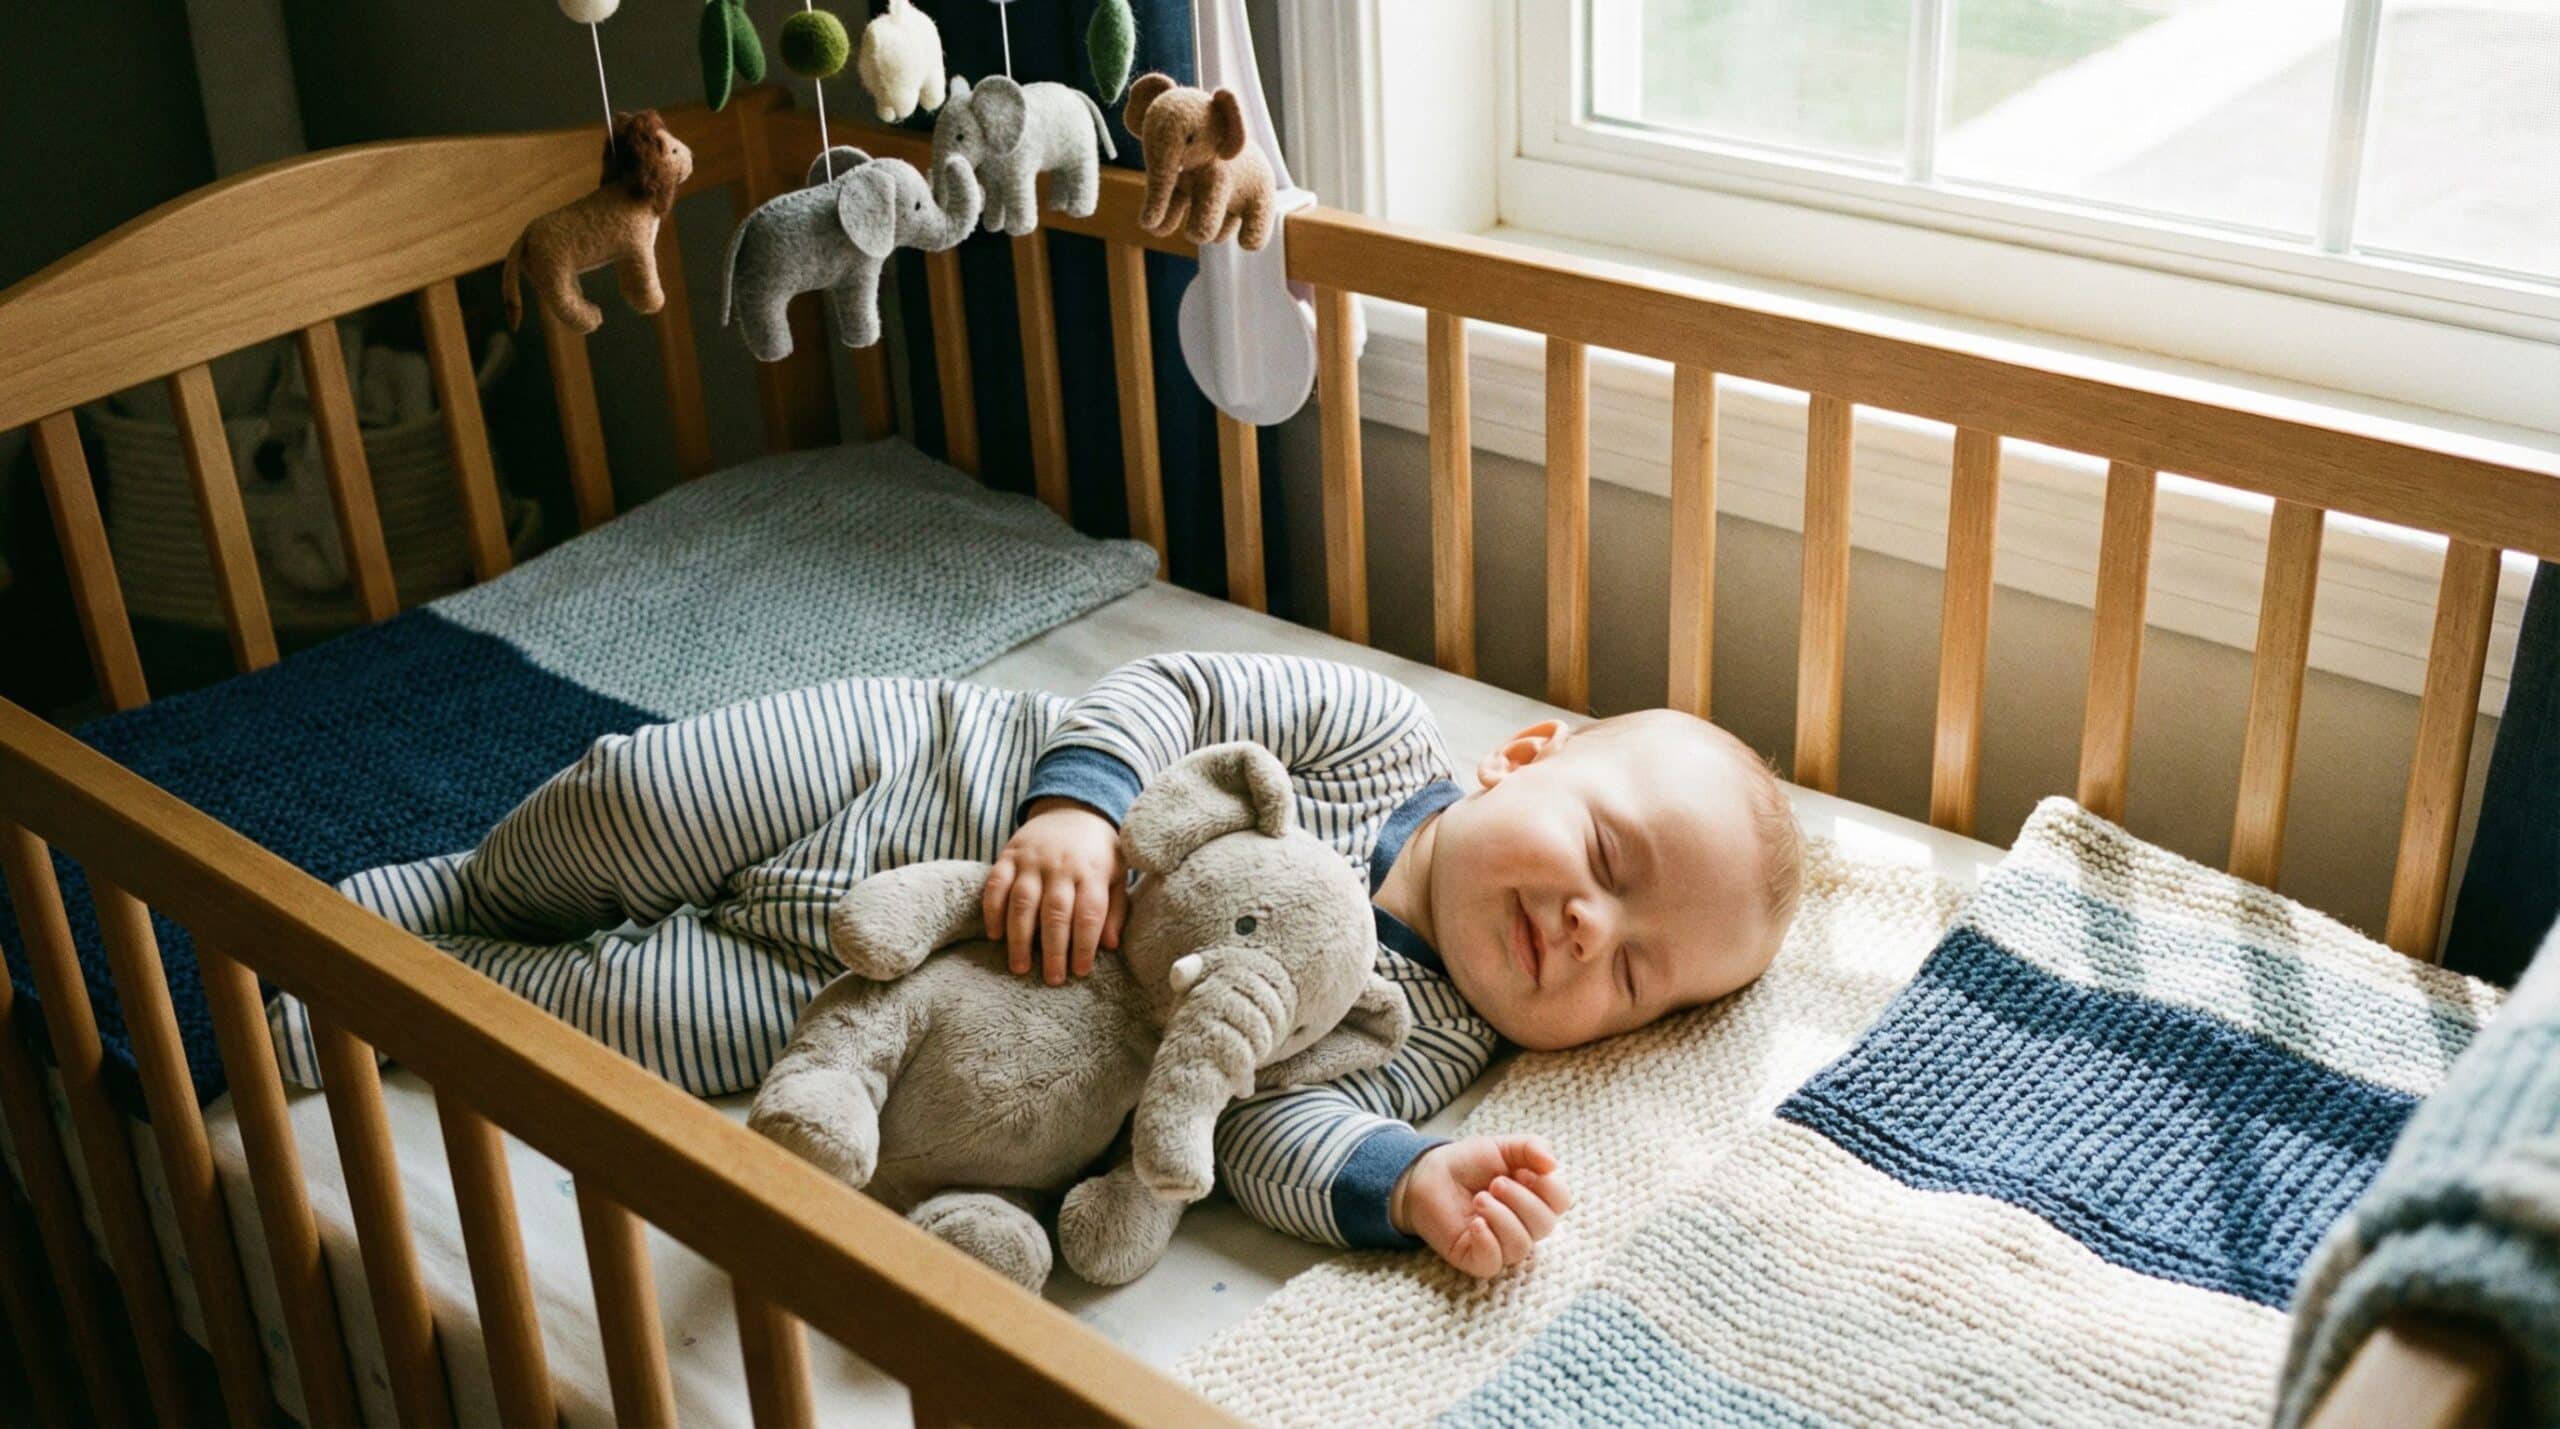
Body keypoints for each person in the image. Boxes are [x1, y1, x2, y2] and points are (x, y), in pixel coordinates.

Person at [269, 653, 1802, 1278]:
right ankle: (445, 886)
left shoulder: (1426, 1041)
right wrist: (1074, 810)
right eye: (1607, 859)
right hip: (906, 785)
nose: (1593, 931)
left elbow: (1251, 1129)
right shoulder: (1368, 733)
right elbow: (1173, 682)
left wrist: (1403, 1186)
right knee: (637, 802)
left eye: (1642, 976)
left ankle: (361, 980)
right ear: (1528, 754)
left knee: (627, 1016)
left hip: (882, 1008)